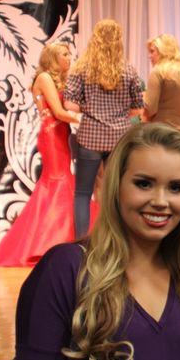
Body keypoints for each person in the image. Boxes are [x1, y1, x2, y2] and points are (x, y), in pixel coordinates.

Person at [14, 123, 180, 360]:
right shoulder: (66, 269)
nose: (161, 201)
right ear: (116, 184)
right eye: (144, 183)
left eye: (176, 187)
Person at [0, 42, 80, 267]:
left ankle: (52, 239)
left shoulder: (58, 79)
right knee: (58, 184)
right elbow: (60, 113)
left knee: (57, 185)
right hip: (52, 136)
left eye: (69, 54)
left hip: (60, 135)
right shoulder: (44, 78)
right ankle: (47, 242)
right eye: (64, 54)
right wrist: (88, 119)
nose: (68, 58)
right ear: (53, 58)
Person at [64, 19, 144, 238]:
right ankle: (115, 239)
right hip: (120, 138)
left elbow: (69, 104)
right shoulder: (128, 70)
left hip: (90, 136)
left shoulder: (82, 68)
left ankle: (81, 241)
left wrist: (89, 107)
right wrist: (118, 113)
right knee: (116, 193)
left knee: (82, 193)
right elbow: (138, 109)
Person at [144, 34, 180, 137]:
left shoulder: (157, 72)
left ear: (163, 51)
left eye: (152, 51)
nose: (150, 56)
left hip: (164, 137)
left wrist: (143, 98)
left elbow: (150, 109)